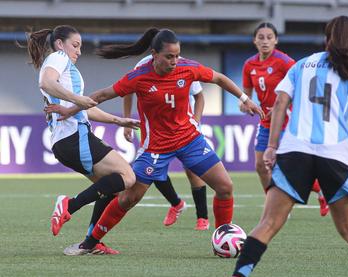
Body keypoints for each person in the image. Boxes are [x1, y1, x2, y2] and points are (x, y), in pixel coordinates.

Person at [46, 27, 265, 255]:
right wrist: (70, 110)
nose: (174, 61)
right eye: (169, 56)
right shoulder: (140, 75)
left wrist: (245, 98)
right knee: (128, 198)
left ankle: (223, 238)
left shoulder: (187, 68)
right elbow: (101, 95)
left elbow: (219, 78)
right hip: (156, 148)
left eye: (177, 55)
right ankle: (89, 243)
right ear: (154, 54)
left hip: (190, 140)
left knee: (225, 187)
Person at [226, 16, 348, 277]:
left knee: (268, 224)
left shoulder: (302, 64)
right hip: (336, 156)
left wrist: (272, 147)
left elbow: (279, 104)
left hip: (294, 151)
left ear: (327, 38)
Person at [25, 25, 140, 255]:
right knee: (127, 177)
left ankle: (90, 242)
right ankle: (69, 204)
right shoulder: (58, 58)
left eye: (80, 47)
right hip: (74, 137)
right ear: (60, 44)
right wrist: (78, 98)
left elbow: (83, 110)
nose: (78, 51)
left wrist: (118, 121)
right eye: (75, 45)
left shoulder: (65, 70)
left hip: (66, 142)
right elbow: (46, 82)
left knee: (111, 188)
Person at [241, 22, 329, 217]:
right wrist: (245, 103)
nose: (265, 41)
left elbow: (304, 86)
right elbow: (245, 94)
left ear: (276, 40)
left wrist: (283, 105)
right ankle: (272, 203)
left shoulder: (284, 62)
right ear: (254, 40)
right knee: (260, 166)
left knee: (288, 166)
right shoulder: (249, 65)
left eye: (269, 37)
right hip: (265, 121)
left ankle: (320, 189)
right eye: (261, 37)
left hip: (287, 119)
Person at [123, 54, 210, 230]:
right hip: (156, 128)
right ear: (156, 52)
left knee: (192, 169)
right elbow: (127, 91)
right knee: (153, 169)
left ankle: (202, 218)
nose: (173, 57)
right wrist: (126, 121)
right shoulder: (142, 66)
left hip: (184, 126)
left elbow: (199, 96)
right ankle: (176, 204)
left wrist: (196, 121)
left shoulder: (183, 65)